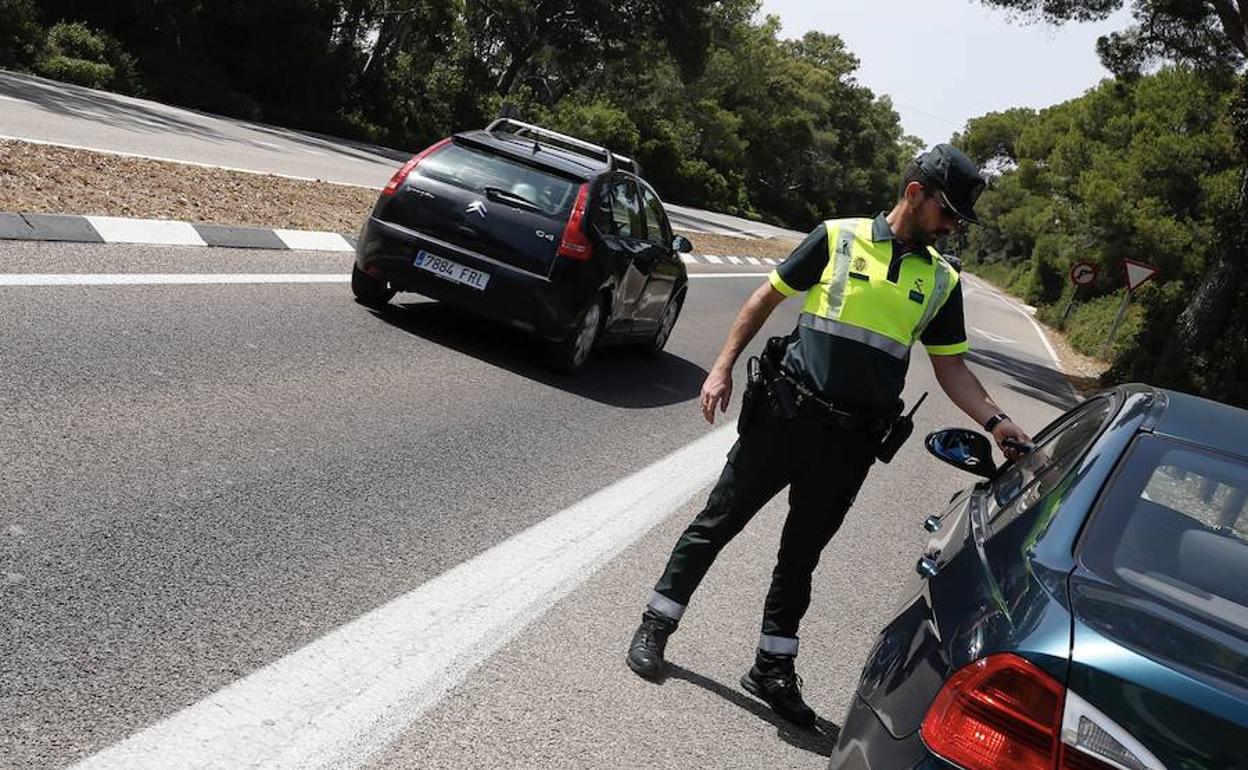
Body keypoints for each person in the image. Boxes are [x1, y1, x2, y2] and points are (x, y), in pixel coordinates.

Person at [624, 144, 1032, 728]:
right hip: (786, 418)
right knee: (718, 522)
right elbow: (766, 296)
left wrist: (996, 421)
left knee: (801, 558)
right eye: (948, 214)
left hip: (851, 444)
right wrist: (721, 367)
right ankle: (656, 623)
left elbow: (952, 367)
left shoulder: (941, 281)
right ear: (915, 193)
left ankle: (771, 667)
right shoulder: (838, 237)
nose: (951, 229)